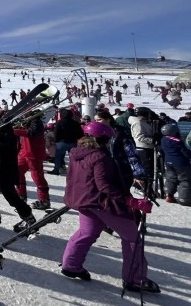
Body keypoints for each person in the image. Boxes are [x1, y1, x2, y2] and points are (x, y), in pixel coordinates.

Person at [61, 121, 160, 293]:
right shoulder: (100, 157)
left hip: (85, 201)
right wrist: (132, 202)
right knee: (132, 238)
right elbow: (104, 186)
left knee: (87, 233)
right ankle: (135, 279)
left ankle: (71, 265)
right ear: (103, 139)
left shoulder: (77, 153)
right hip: (101, 203)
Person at [0, 104, 37, 233]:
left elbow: (9, 146)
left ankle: (28, 217)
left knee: (10, 195)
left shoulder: (4, 125)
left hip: (3, 166)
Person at [14, 115, 51, 209]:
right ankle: (21, 195)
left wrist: (14, 131)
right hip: (24, 152)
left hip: (34, 154)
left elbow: (32, 133)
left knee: (37, 177)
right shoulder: (25, 120)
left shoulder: (36, 121)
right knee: (17, 172)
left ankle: (44, 200)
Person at [160, 123, 191, 205]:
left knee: (171, 178)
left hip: (168, 162)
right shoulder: (177, 141)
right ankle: (184, 199)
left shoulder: (163, 140)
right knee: (185, 180)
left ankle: (169, 195)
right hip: (181, 163)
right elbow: (185, 153)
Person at [50, 109, 84, 175]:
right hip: (73, 142)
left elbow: (56, 133)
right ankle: (74, 169)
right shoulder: (75, 123)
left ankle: (56, 169)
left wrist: (56, 140)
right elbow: (80, 133)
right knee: (73, 157)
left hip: (62, 142)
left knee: (58, 156)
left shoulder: (59, 122)